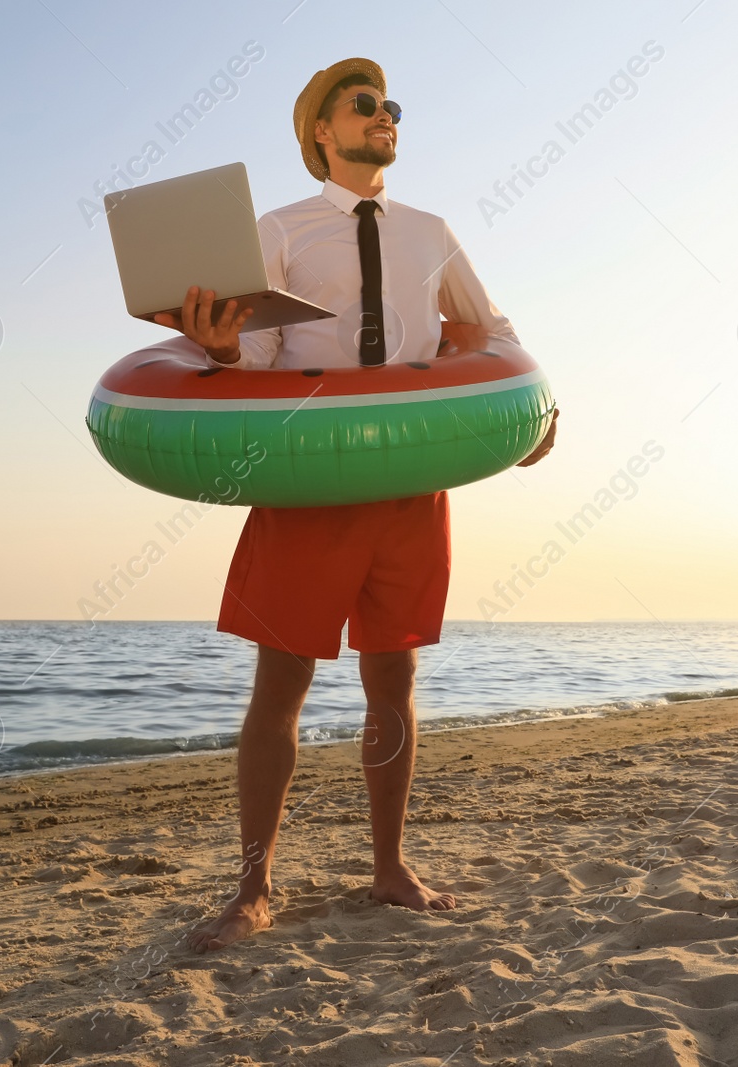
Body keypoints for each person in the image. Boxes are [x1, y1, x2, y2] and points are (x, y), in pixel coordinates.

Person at [164, 57, 557, 953]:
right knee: (282, 683)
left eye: (392, 107)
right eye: (364, 105)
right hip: (310, 482)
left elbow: (491, 330)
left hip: (409, 481)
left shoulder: (431, 231)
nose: (385, 117)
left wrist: (536, 407)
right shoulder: (280, 230)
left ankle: (389, 864)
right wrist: (222, 350)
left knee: (395, 680)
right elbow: (253, 359)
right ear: (320, 132)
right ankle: (253, 884)